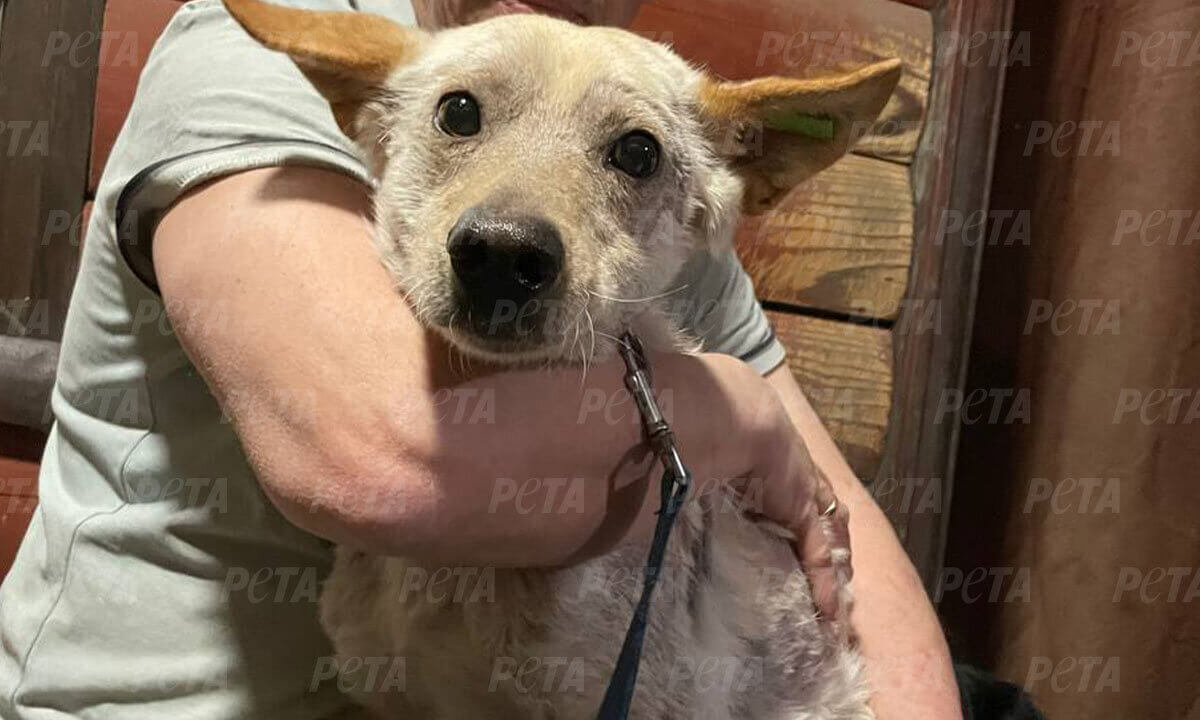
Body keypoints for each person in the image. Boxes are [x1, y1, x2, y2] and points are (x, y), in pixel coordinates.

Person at [0, 0, 960, 718]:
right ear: (369, 114)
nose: (512, 226)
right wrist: (736, 412)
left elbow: (839, 521)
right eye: (462, 118)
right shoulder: (247, 52)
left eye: (628, 155)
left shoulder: (682, 217)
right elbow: (378, 463)